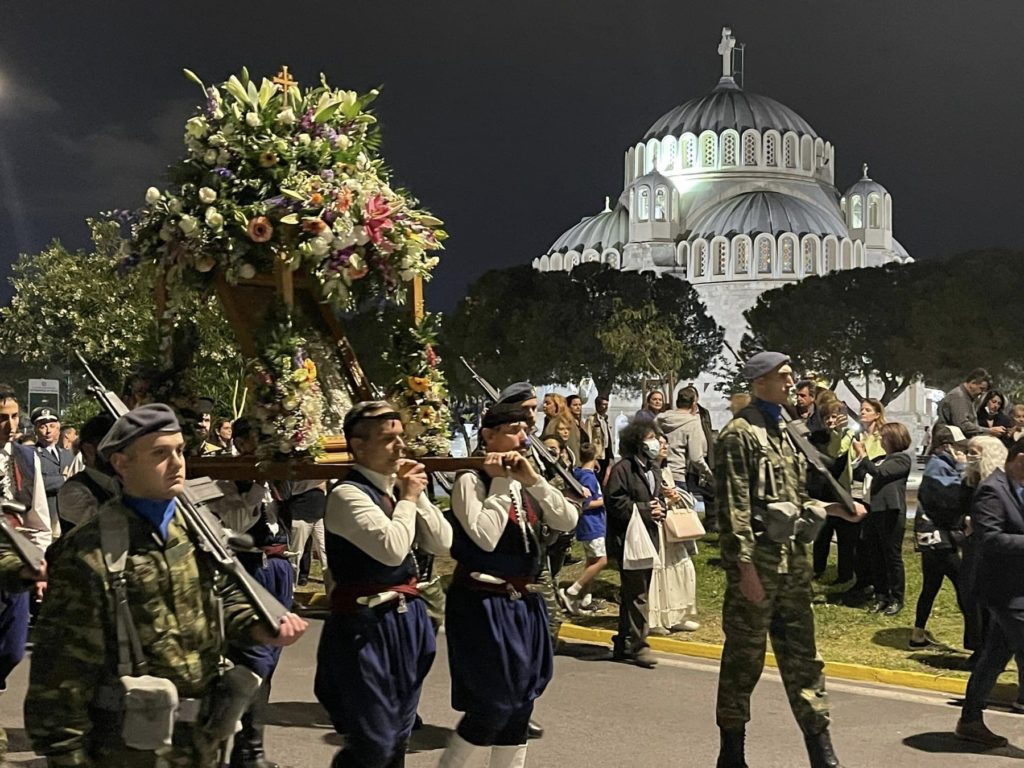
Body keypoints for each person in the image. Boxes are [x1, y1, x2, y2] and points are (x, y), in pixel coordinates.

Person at [25, 403, 307, 767]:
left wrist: (257, 625)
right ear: (122, 463)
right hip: (124, 748)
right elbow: (60, 676)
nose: (177, 463)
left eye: (178, 450)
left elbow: (221, 597)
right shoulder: (90, 553)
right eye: (160, 453)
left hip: (199, 744)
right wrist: (67, 756)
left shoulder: (197, 532)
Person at [715, 351, 865, 768]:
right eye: (782, 376)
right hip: (757, 569)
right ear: (759, 380)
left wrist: (834, 510)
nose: (791, 383)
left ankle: (822, 754)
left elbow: (792, 500)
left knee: (805, 661)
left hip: (793, 567)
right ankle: (731, 754)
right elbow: (733, 511)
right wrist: (744, 570)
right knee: (743, 661)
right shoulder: (739, 435)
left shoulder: (787, 431)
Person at [439, 403, 577, 768]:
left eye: (527, 429)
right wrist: (500, 480)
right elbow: (484, 537)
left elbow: (568, 518)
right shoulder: (471, 480)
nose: (524, 437)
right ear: (488, 435)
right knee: (493, 701)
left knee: (522, 703)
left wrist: (534, 482)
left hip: (522, 603)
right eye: (516, 430)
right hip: (482, 603)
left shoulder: (526, 479)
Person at [315, 401, 452, 768]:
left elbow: (442, 543)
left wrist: (416, 496)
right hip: (364, 628)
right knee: (374, 741)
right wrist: (408, 498)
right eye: (388, 439)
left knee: (398, 737)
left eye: (400, 437)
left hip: (405, 622)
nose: (400, 446)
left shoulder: (398, 490)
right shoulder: (347, 494)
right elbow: (392, 550)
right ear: (359, 447)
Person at [212, 418, 294, 768]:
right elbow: (237, 523)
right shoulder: (226, 472)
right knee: (252, 657)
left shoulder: (271, 475)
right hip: (248, 568)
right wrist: (257, 484)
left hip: (277, 568)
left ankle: (252, 745)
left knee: (270, 660)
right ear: (244, 443)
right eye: (261, 441)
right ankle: (243, 748)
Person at [956, 438, 1024, 747]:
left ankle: (970, 720)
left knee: (995, 656)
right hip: (1005, 592)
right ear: (1020, 458)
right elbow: (990, 539)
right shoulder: (992, 490)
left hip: (1018, 588)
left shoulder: (1017, 488)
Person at [0, 384, 51, 760]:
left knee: (14, 649)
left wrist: (40, 563)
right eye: (3, 417)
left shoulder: (24, 457)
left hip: (15, 564)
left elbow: (37, 517)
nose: (11, 424)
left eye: (15, 416)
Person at [604, 419, 666, 668]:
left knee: (634, 592)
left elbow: (659, 497)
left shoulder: (653, 469)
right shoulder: (623, 469)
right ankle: (639, 645)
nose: (655, 442)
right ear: (637, 441)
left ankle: (623, 642)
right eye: (650, 437)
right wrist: (643, 509)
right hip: (628, 539)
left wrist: (662, 508)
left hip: (648, 537)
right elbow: (615, 502)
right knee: (637, 592)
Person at [910, 425, 973, 649]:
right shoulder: (938, 466)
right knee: (965, 586)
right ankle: (976, 640)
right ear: (947, 446)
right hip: (939, 538)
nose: (963, 452)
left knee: (931, 585)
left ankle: (917, 635)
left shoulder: (940, 464)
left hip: (933, 539)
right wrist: (964, 468)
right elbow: (952, 496)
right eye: (960, 447)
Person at [852, 422, 913, 615]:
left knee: (892, 556)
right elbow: (863, 473)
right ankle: (880, 596)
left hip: (891, 512)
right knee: (875, 555)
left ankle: (896, 598)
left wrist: (863, 453)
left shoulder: (902, 459)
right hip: (874, 511)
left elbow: (879, 473)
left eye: (884, 437)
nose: (882, 441)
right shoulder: (883, 459)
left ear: (895, 438)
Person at [648, 434, 699, 634]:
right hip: (658, 526)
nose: (664, 446)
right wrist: (665, 499)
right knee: (660, 569)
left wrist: (675, 495)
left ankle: (678, 615)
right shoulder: (648, 471)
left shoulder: (666, 470)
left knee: (681, 566)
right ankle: (657, 619)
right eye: (659, 443)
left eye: (665, 443)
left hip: (672, 525)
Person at [560, 444, 607, 614]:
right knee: (602, 560)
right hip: (593, 524)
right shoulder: (587, 478)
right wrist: (605, 500)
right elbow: (585, 503)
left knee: (591, 561)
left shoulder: (579, 474)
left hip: (589, 524)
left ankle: (586, 597)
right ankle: (573, 590)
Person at [55, 413, 117, 529]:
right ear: (88, 450)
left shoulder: (122, 481)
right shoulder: (73, 490)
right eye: (113, 447)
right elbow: (111, 524)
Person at [656, 388, 712, 495]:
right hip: (678, 475)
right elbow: (696, 457)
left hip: (657, 473)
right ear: (693, 404)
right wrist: (708, 473)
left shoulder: (659, 419)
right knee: (680, 511)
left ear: (677, 402)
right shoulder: (693, 422)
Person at [32, 406, 75, 534]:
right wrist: (63, 479)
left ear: (58, 428)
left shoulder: (68, 455)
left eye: (52, 426)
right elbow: (37, 482)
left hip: (69, 518)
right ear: (35, 429)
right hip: (45, 520)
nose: (48, 431)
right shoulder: (32, 454)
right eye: (43, 427)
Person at [935, 367, 1001, 439]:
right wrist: (989, 431)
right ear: (973, 383)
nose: (982, 393)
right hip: (950, 443)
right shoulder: (958, 396)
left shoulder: (968, 398)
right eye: (981, 389)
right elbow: (963, 424)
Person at [584, 395, 614, 481]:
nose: (605, 407)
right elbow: (589, 439)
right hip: (598, 455)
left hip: (606, 454)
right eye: (603, 404)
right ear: (597, 405)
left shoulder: (606, 419)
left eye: (607, 405)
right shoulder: (592, 420)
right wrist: (592, 457)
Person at [564, 394, 589, 461]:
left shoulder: (581, 423)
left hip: (584, 460)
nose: (578, 407)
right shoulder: (566, 423)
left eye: (580, 405)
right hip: (573, 460)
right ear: (568, 407)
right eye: (575, 405)